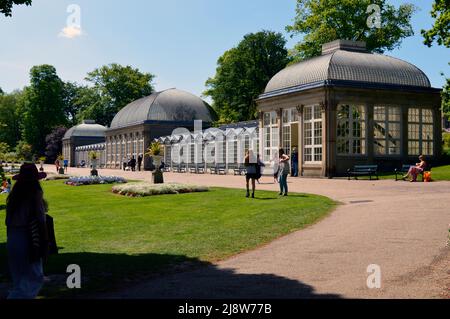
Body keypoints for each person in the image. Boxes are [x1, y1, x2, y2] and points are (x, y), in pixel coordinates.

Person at [5, 163, 48, 299]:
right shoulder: (35, 194)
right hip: (28, 237)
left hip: (13, 238)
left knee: (19, 278)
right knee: (34, 277)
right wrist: (45, 242)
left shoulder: (13, 197)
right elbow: (41, 220)